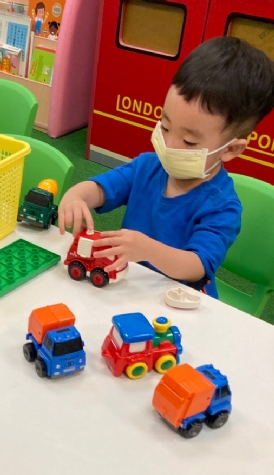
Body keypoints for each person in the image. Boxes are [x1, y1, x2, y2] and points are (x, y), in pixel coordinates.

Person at [58, 37, 274, 297]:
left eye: (189, 141)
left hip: (180, 301)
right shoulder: (147, 167)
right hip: (129, 287)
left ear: (230, 149)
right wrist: (78, 195)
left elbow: (198, 266)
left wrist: (148, 250)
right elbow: (102, 189)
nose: (169, 144)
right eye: (165, 126)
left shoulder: (222, 206)